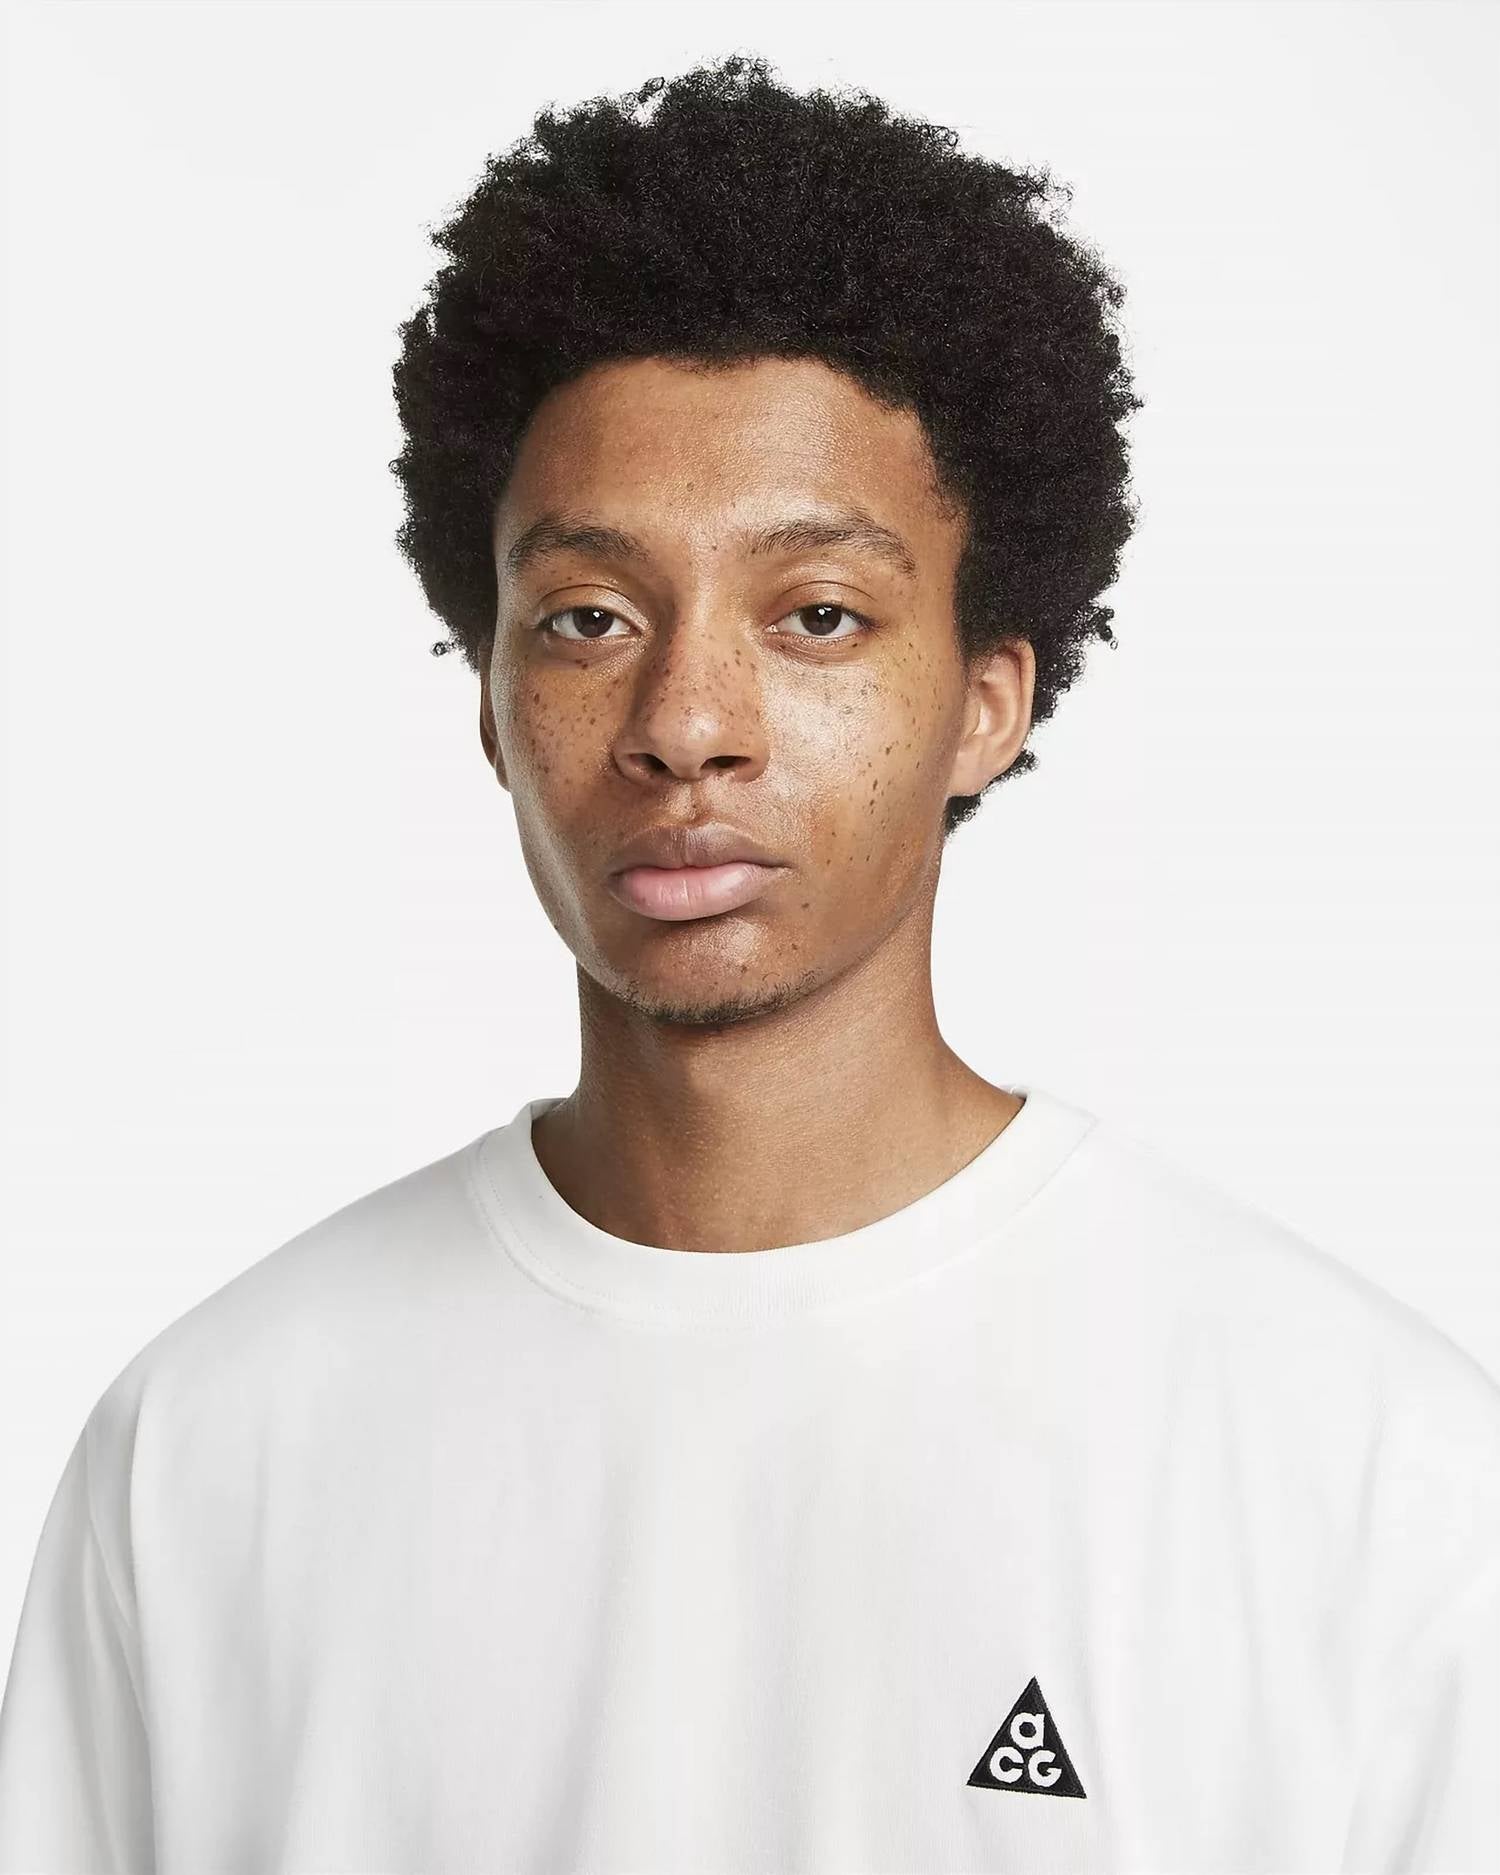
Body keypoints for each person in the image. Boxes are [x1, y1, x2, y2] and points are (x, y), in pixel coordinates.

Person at [2, 51, 1496, 1875]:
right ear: (491, 703)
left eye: (817, 616)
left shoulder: (1365, 1478)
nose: (687, 721)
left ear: (987, 702)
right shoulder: (207, 1451)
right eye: (588, 618)